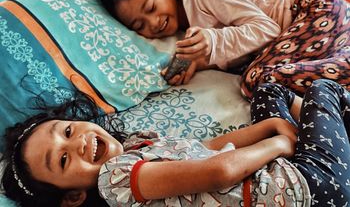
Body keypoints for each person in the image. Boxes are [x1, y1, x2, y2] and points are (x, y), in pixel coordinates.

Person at [2, 79, 350, 206]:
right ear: (74, 197)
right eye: (62, 161)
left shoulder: (136, 147)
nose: (75, 144)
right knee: (323, 90)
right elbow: (220, 171)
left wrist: (272, 127)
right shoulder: (117, 180)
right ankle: (333, 141)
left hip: (288, 170)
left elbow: (211, 148)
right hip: (310, 186)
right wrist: (279, 144)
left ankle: (333, 139)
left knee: (270, 93)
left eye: (66, 131)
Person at [91, 0, 350, 98]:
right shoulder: (189, 35)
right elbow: (247, 51)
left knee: (257, 81)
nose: (153, 22)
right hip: (307, 35)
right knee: (272, 89)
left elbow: (266, 29)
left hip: (315, 11)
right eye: (139, 26)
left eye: (151, 7)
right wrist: (200, 62)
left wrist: (214, 41)